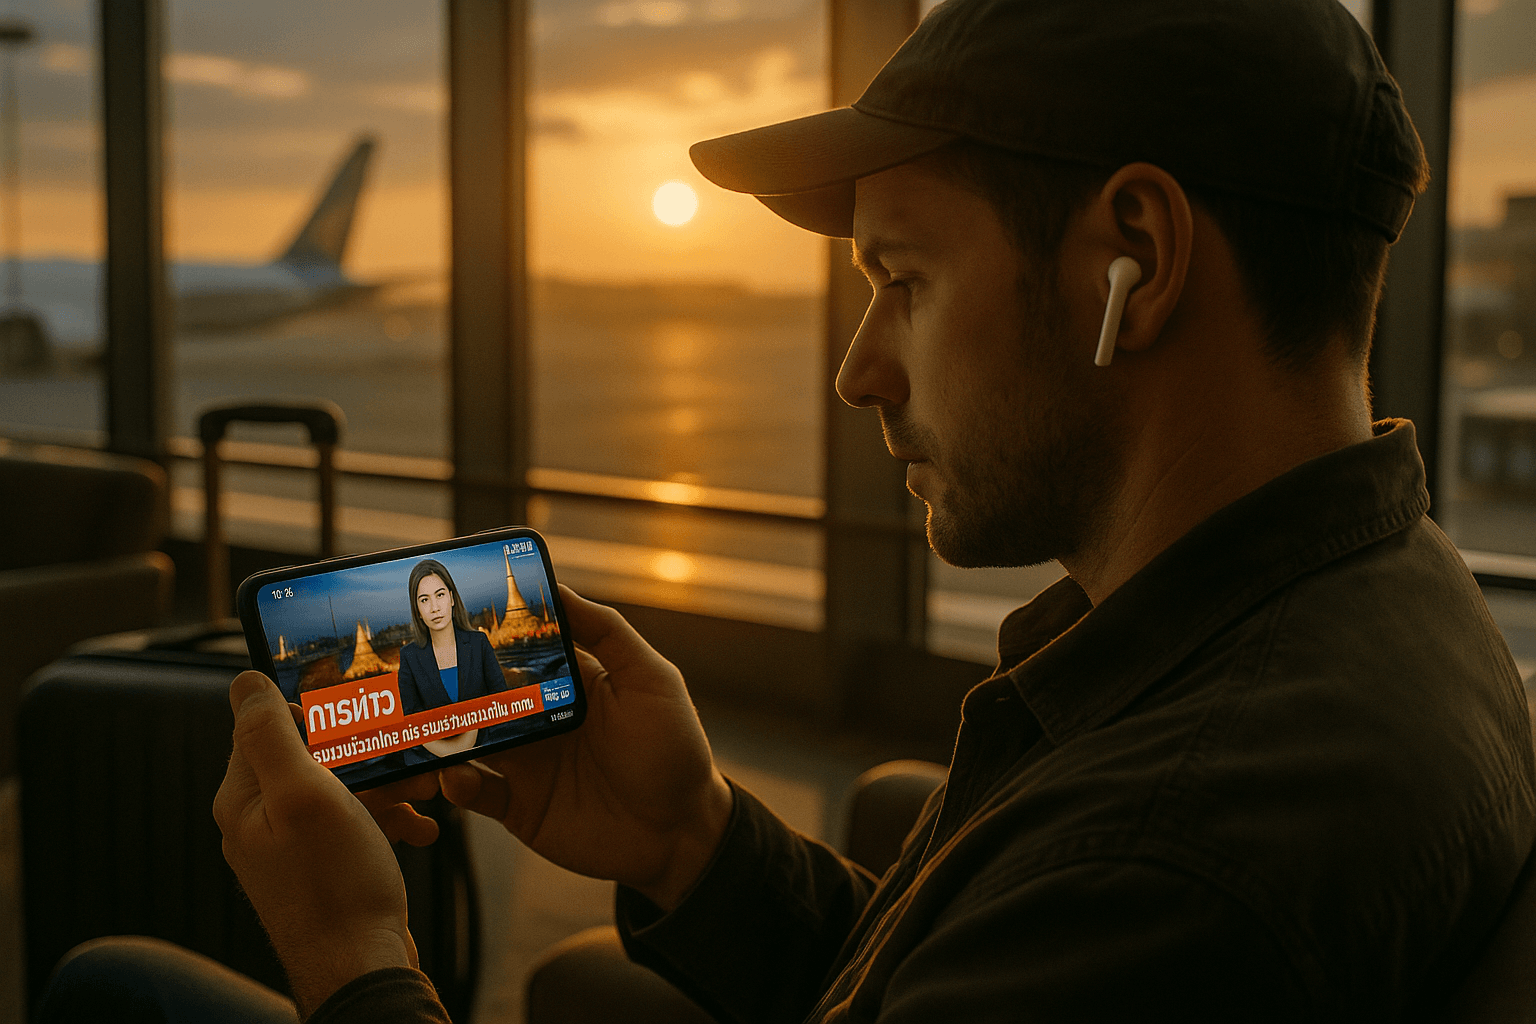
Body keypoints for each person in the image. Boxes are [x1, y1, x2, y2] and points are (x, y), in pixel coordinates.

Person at [40, 0, 1536, 1021]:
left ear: (1127, 258)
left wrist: (359, 955)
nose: (856, 370)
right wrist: (693, 839)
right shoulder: (1368, 599)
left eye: (904, 280)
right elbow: (933, 974)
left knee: (112, 984)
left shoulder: (1173, 858)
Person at [395, 558, 509, 759]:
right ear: (418, 611)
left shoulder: (478, 643)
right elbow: (411, 722)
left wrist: (469, 739)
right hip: (432, 760)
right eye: (424, 600)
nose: (434, 607)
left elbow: (502, 701)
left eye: (440, 595)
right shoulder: (409, 656)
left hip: (488, 751)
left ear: (452, 598)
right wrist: (449, 754)